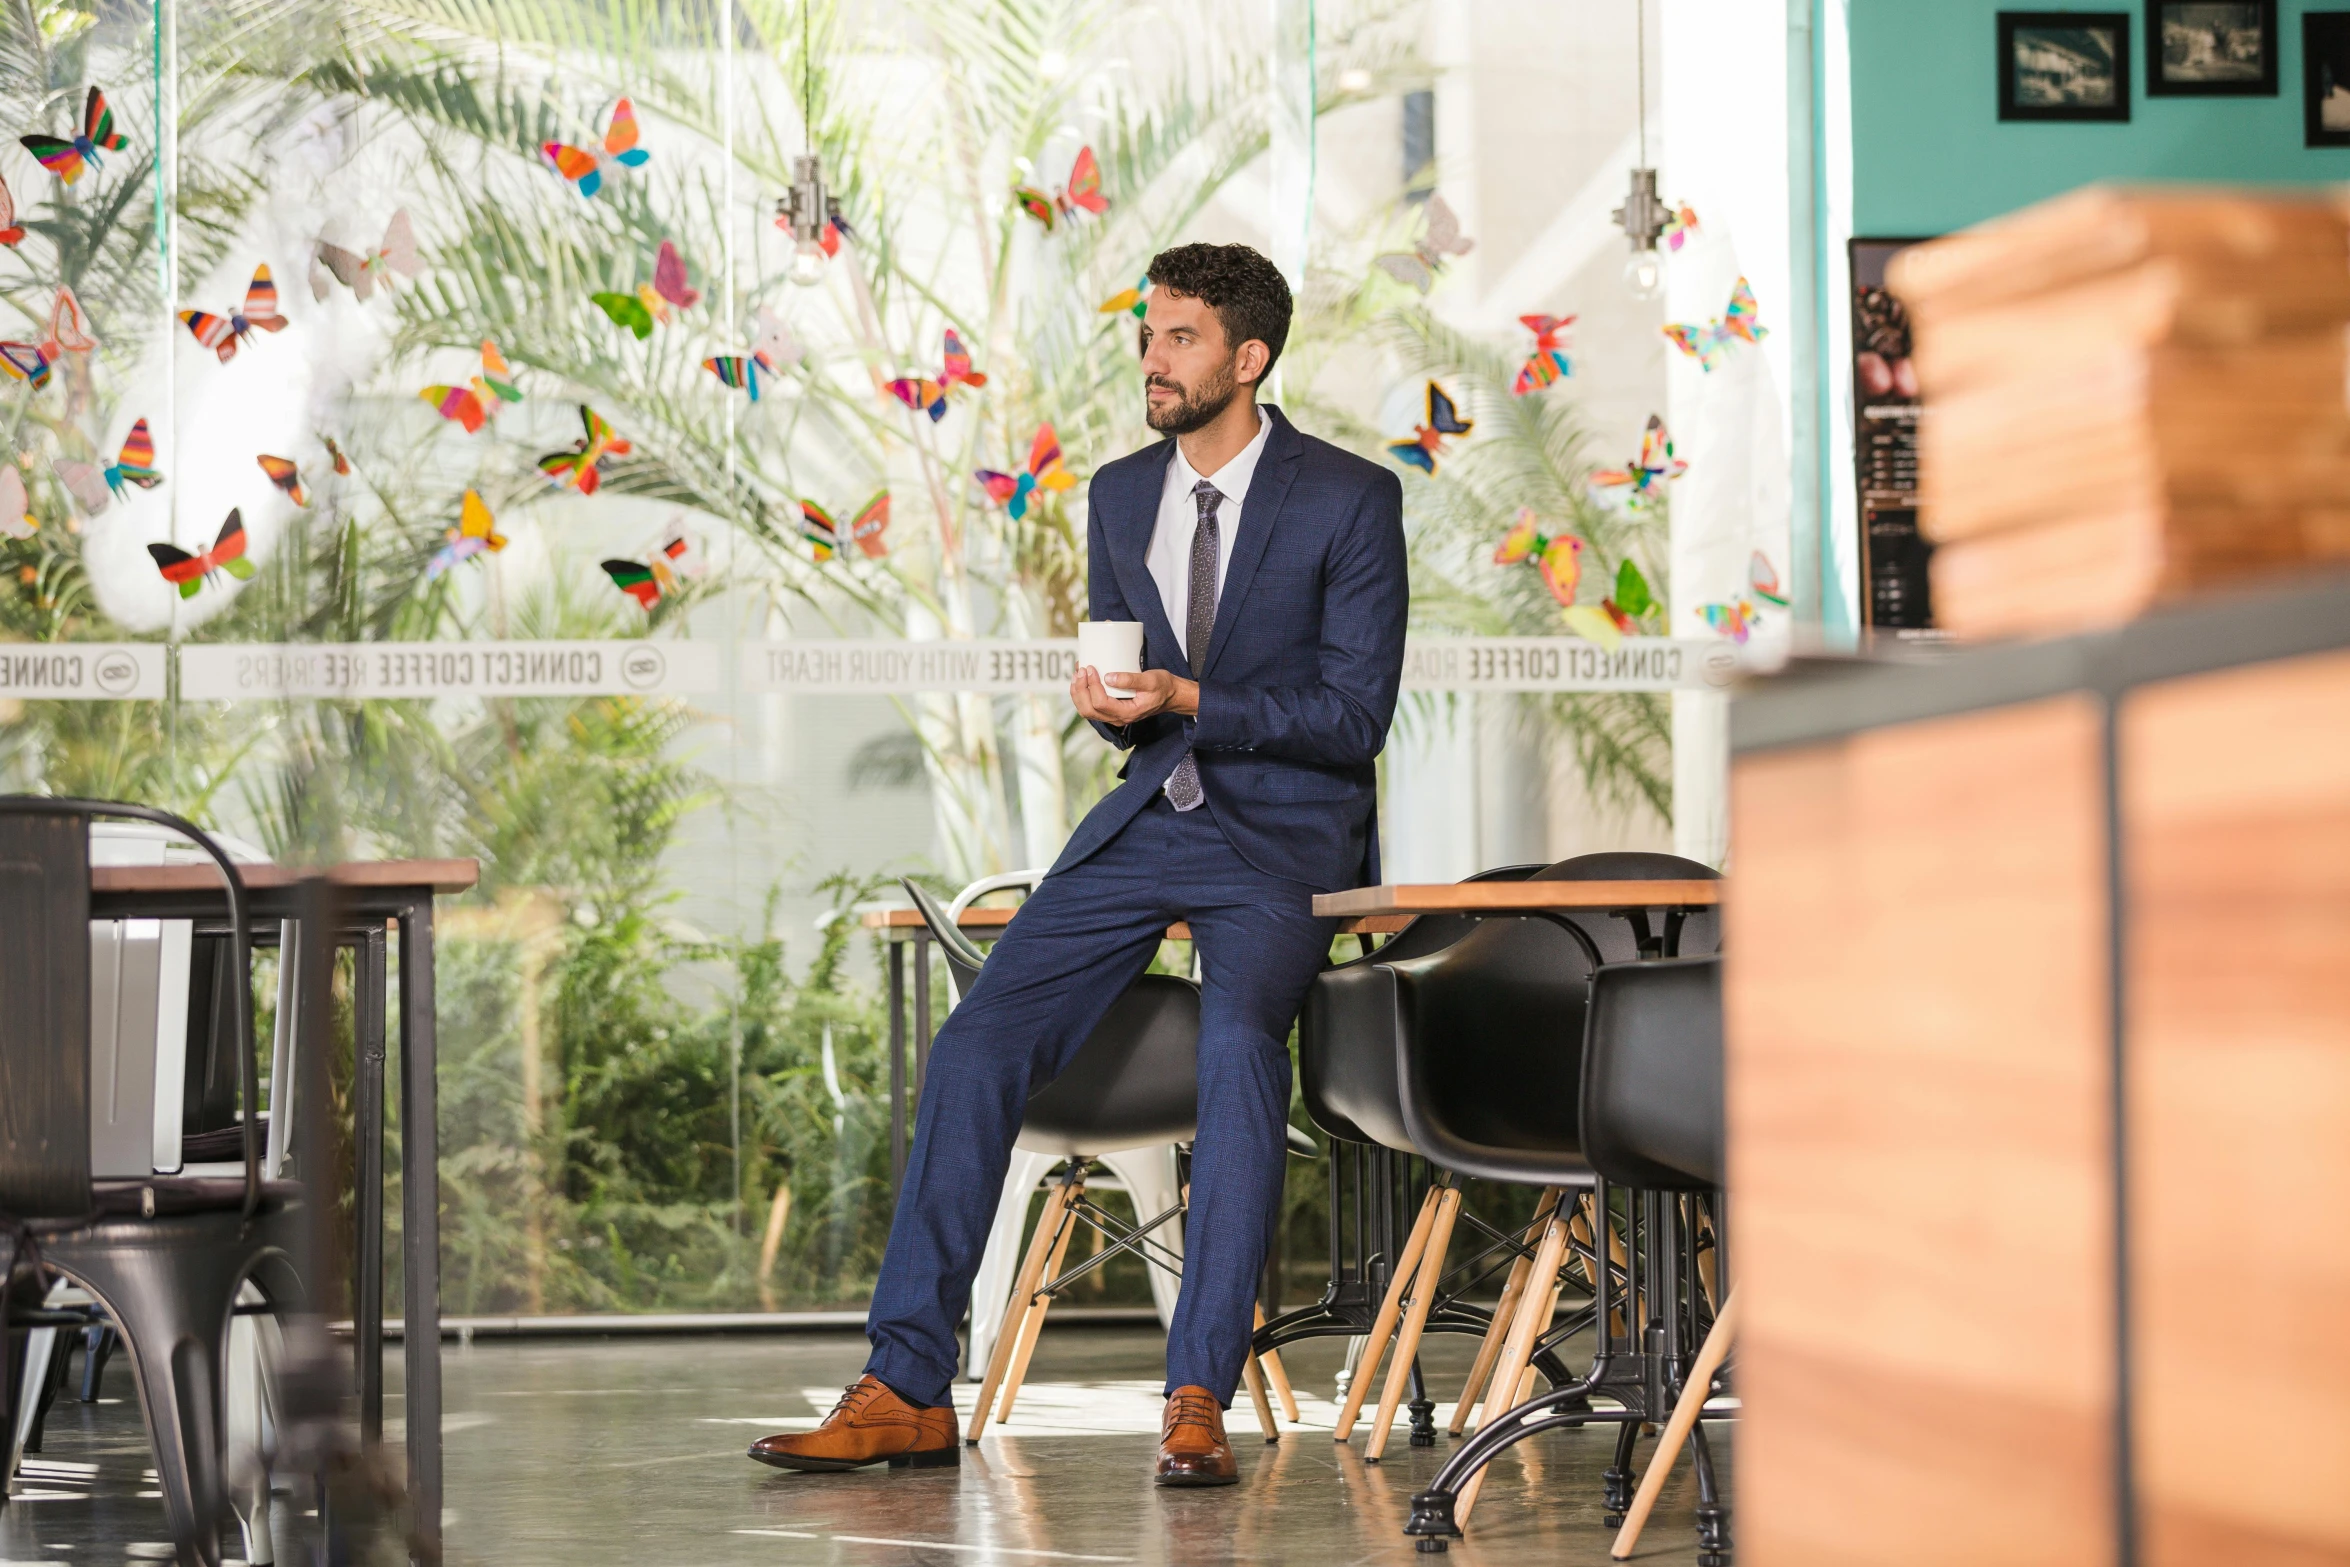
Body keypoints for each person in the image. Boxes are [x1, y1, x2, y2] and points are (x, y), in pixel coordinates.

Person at [747, 242, 1407, 1487]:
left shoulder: (1349, 497)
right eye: (1147, 336)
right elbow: (1132, 688)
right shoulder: (1115, 493)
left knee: (1235, 1056)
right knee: (976, 1043)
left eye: (1178, 340)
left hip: (1279, 841)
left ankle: (1197, 1394)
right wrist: (1118, 709)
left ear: (1247, 358)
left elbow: (1352, 715)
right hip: (1148, 815)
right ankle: (904, 1384)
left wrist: (1190, 692)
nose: (1150, 360)